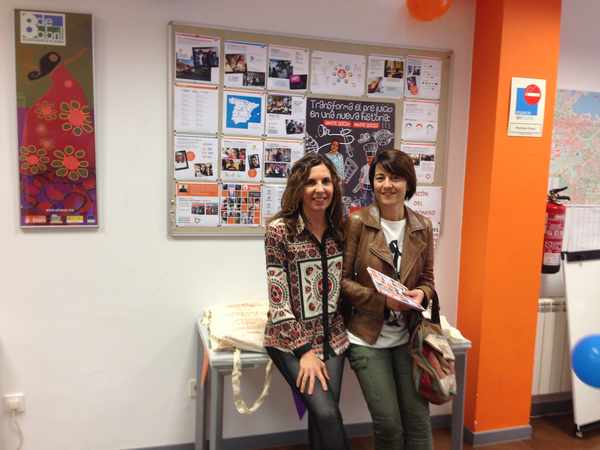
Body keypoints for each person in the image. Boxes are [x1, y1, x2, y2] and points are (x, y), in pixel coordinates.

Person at [342, 149, 435, 450]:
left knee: (419, 423)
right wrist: (383, 302)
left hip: (409, 337)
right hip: (367, 337)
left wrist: (422, 294)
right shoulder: (358, 222)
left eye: (395, 178)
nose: (387, 185)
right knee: (389, 425)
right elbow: (341, 282)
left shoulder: (422, 226)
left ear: (408, 183)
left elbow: (428, 280)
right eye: (380, 178)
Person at [264, 152, 349, 450]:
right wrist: (304, 352)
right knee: (327, 414)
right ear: (298, 188)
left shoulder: (342, 230)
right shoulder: (280, 231)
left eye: (326, 181)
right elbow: (278, 301)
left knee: (323, 416)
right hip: (290, 339)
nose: (320, 189)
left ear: (334, 186)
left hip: (333, 338)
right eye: (311, 182)